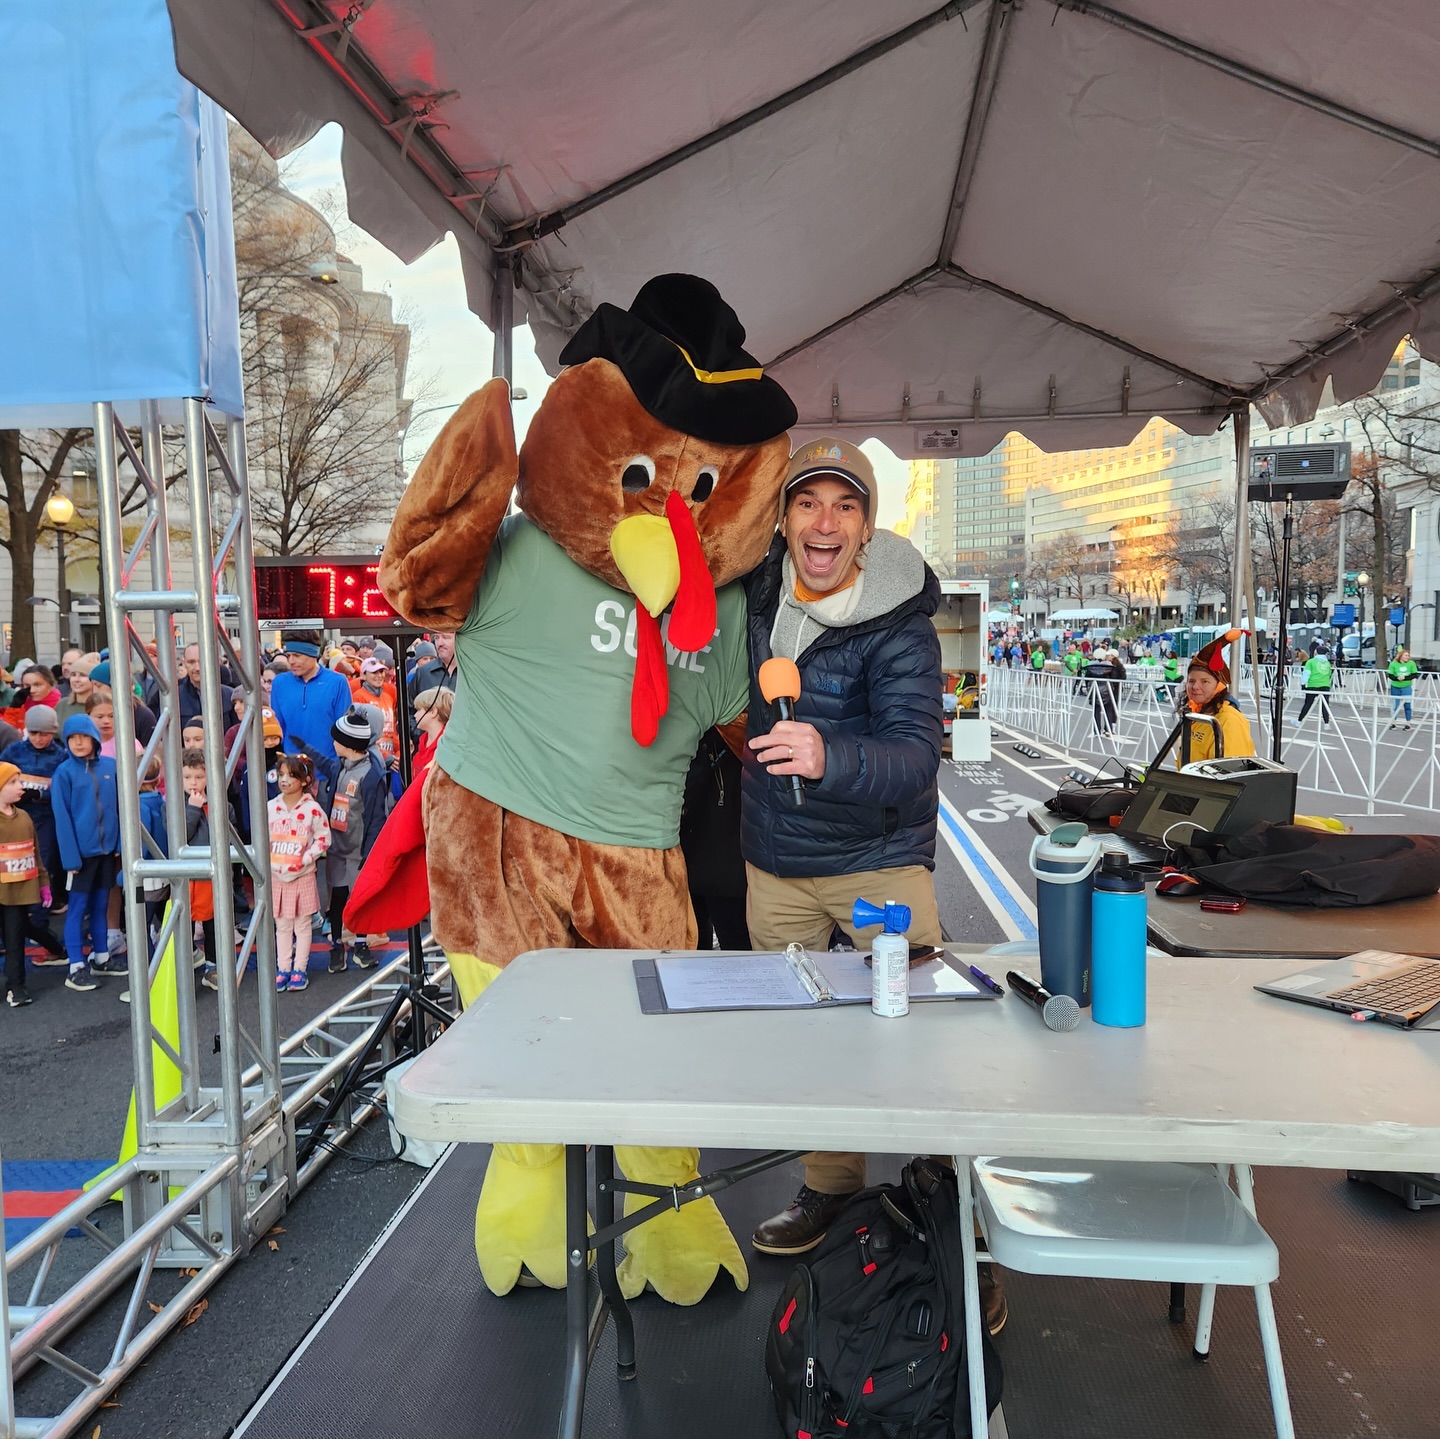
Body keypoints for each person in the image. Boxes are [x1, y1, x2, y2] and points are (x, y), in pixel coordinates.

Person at [740, 439, 946, 1250]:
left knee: (925, 1041)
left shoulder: (902, 624)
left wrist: (829, 756)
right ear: (785, 519)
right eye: (807, 502)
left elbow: (917, 755)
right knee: (809, 1041)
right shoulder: (760, 591)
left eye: (845, 505)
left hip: (881, 865)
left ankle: (947, 1211)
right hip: (778, 866)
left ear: (866, 527)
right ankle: (827, 1191)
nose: (824, 522)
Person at [296, 710, 389, 972]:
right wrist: (305, 748)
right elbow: (325, 763)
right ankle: (337, 944)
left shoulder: (371, 775)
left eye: (336, 740)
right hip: (336, 848)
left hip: (358, 851)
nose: (333, 744)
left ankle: (361, 943)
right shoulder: (340, 765)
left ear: (348, 744)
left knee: (358, 898)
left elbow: (377, 817)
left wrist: (370, 851)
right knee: (337, 897)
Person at [51, 715, 120, 990]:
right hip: (80, 856)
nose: (78, 742)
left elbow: (120, 808)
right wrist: (70, 858)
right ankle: (76, 966)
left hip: (106, 852)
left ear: (94, 738)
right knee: (78, 908)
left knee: (101, 904)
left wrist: (119, 845)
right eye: (72, 738)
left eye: (83, 736)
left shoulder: (111, 767)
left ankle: (101, 956)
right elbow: (62, 817)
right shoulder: (64, 773)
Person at [680, 729, 750, 951]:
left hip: (725, 865)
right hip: (687, 858)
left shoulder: (737, 726)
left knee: (737, 957)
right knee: (690, 955)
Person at [267, 752, 331, 992]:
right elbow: (261, 837)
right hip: (277, 875)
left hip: (302, 874)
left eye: (291, 776)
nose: (284, 780)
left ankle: (299, 969)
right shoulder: (270, 807)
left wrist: (306, 857)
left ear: (305, 780)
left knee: (302, 925)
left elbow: (324, 839)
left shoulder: (313, 810)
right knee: (282, 925)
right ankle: (282, 967)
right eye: (281, 775)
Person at [1, 707, 68, 917]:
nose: (39, 739)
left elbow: (63, 787)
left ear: (53, 732)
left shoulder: (61, 756)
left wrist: (40, 796)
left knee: (44, 862)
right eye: (34, 733)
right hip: (15, 817)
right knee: (11, 861)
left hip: (46, 818)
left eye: (45, 734)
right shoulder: (14, 752)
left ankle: (39, 914)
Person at [0, 762, 53, 1007]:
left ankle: (16, 986)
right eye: (12, 782)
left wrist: (43, 884)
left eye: (19, 781)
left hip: (19, 891)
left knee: (15, 940)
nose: (20, 786)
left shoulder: (25, 818)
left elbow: (36, 854)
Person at [1172, 631, 1255, 765]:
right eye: (1191, 681)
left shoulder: (1228, 720)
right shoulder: (1196, 714)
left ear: (1219, 686)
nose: (1195, 687)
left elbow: (1230, 772)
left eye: (1205, 681)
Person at [268, 630, 353, 759]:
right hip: (291, 770)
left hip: (329, 770)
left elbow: (344, 729)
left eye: (296, 655)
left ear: (313, 654)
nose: (291, 661)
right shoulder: (280, 683)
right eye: (289, 655)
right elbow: (278, 727)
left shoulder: (337, 682)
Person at [351, 657, 398, 762]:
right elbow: (360, 735)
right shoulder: (358, 698)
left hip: (391, 757)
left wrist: (400, 751)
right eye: (374, 672)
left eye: (381, 671)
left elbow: (392, 729)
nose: (379, 676)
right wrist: (384, 756)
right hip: (371, 758)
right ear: (363, 675)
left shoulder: (388, 697)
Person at [178, 643, 234, 726]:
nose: (197, 668)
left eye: (202, 661)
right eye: (191, 662)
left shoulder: (230, 696)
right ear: (184, 663)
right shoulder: (175, 698)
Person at [410, 686, 453, 781]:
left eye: (419, 710)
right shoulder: (421, 743)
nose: (415, 715)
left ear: (433, 712)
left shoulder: (448, 746)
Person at [1086, 645, 1125, 735]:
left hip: (1095, 689)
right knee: (1108, 710)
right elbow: (1114, 678)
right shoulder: (1109, 666)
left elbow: (1087, 678)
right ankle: (1108, 729)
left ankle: (1096, 730)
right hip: (1107, 690)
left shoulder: (1091, 665)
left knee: (1096, 710)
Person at [55, 652, 100, 727]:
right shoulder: (62, 705)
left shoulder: (102, 706)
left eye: (83, 675)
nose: (76, 679)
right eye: (73, 675)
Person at [1296, 644, 1333, 726]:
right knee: (1325, 705)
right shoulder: (1327, 663)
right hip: (1325, 685)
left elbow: (1306, 674)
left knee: (1308, 703)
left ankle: (1299, 721)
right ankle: (1327, 723)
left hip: (1313, 685)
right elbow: (1329, 674)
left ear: (1316, 652)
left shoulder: (1311, 661)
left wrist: (1303, 684)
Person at [1388, 648, 1419, 729]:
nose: (1407, 657)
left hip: (1406, 687)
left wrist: (1405, 678)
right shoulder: (1394, 664)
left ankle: (1408, 723)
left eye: (1408, 656)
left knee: (1407, 705)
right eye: (1405, 655)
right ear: (1400, 656)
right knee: (1395, 706)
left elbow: (1415, 674)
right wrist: (1397, 678)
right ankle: (1393, 722)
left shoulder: (1411, 663)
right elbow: (1390, 675)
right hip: (1395, 686)